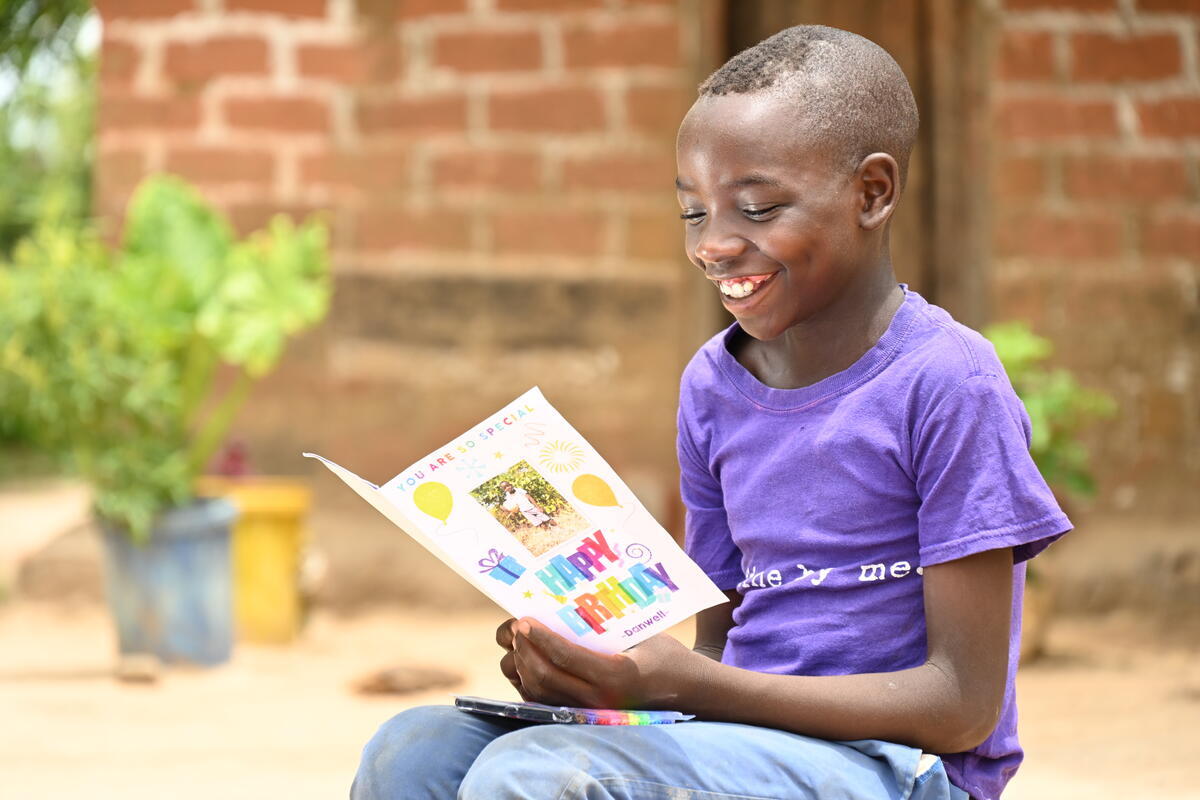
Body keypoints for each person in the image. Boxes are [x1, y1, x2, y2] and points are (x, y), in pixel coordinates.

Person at [351, 25, 1069, 800]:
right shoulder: (713, 386)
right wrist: (601, 681)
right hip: (742, 743)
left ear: (872, 193)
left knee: (536, 776)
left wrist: (686, 688)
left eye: (756, 209)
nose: (715, 246)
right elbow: (718, 653)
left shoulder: (947, 382)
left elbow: (962, 707)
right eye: (694, 214)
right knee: (411, 750)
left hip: (900, 767)